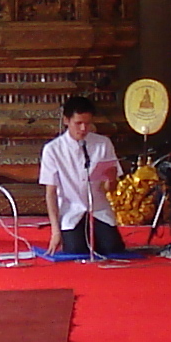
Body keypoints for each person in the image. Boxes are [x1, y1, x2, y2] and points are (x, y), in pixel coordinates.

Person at [41, 95, 127, 258]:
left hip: (98, 207)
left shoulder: (103, 143)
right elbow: (50, 192)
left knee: (113, 248)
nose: (83, 128)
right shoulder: (53, 149)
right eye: (78, 123)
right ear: (66, 120)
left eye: (87, 123)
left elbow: (110, 189)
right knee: (75, 250)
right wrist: (55, 230)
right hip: (71, 209)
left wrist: (112, 178)